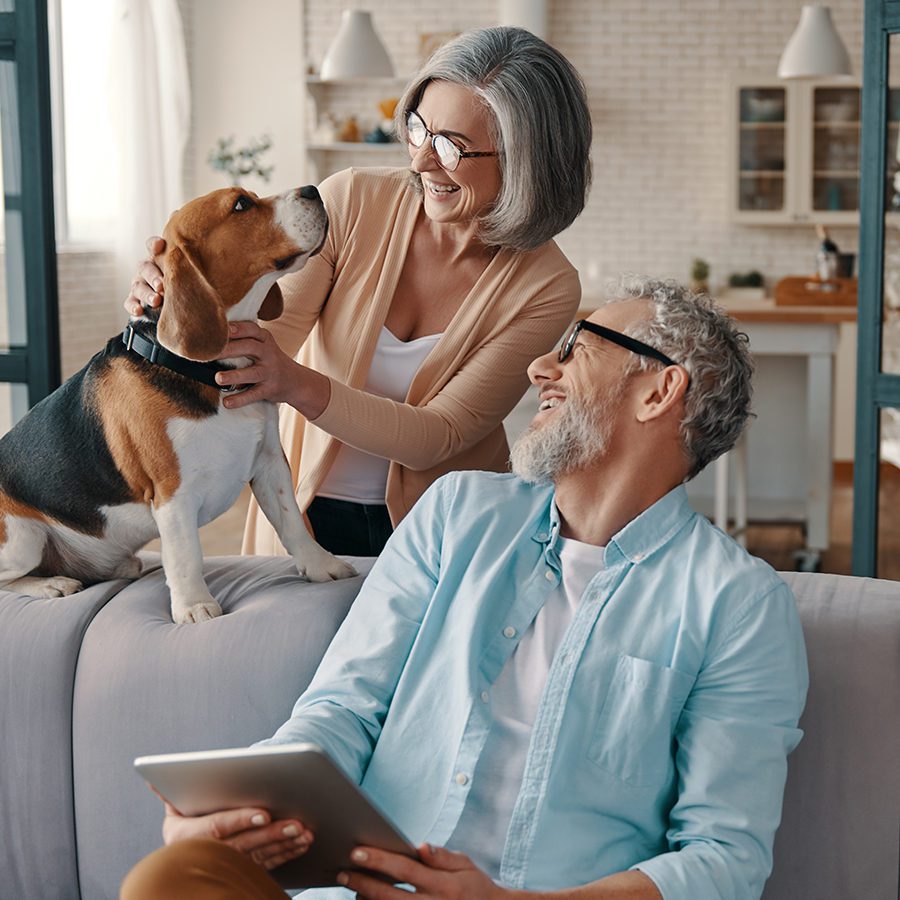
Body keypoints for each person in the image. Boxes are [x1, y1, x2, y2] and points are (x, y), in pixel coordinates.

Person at [120, 277, 809, 900]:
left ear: (660, 392)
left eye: (576, 349)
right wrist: (242, 805)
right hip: (357, 888)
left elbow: (723, 861)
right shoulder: (457, 515)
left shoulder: (739, 604)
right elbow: (344, 707)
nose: (541, 367)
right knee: (173, 876)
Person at [124, 26, 592, 558]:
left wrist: (296, 383)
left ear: (525, 160)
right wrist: (180, 291)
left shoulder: (548, 286)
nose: (419, 162)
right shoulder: (351, 200)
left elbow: (439, 435)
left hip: (445, 533)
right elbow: (255, 339)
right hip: (303, 511)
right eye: (419, 130)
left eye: (451, 147)